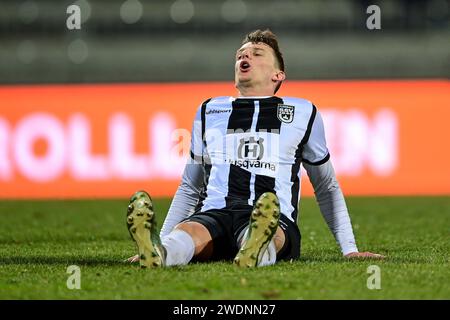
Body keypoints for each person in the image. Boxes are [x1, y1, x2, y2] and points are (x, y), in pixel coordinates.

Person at [126, 29, 385, 268]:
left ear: (278, 75)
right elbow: (190, 186)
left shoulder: (303, 111)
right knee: (189, 233)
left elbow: (326, 185)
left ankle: (255, 245)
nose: (244, 56)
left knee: (266, 232)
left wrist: (349, 249)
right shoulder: (209, 110)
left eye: (256, 53)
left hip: (274, 216)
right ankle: (159, 251)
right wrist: (164, 235)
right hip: (216, 212)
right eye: (240, 55)